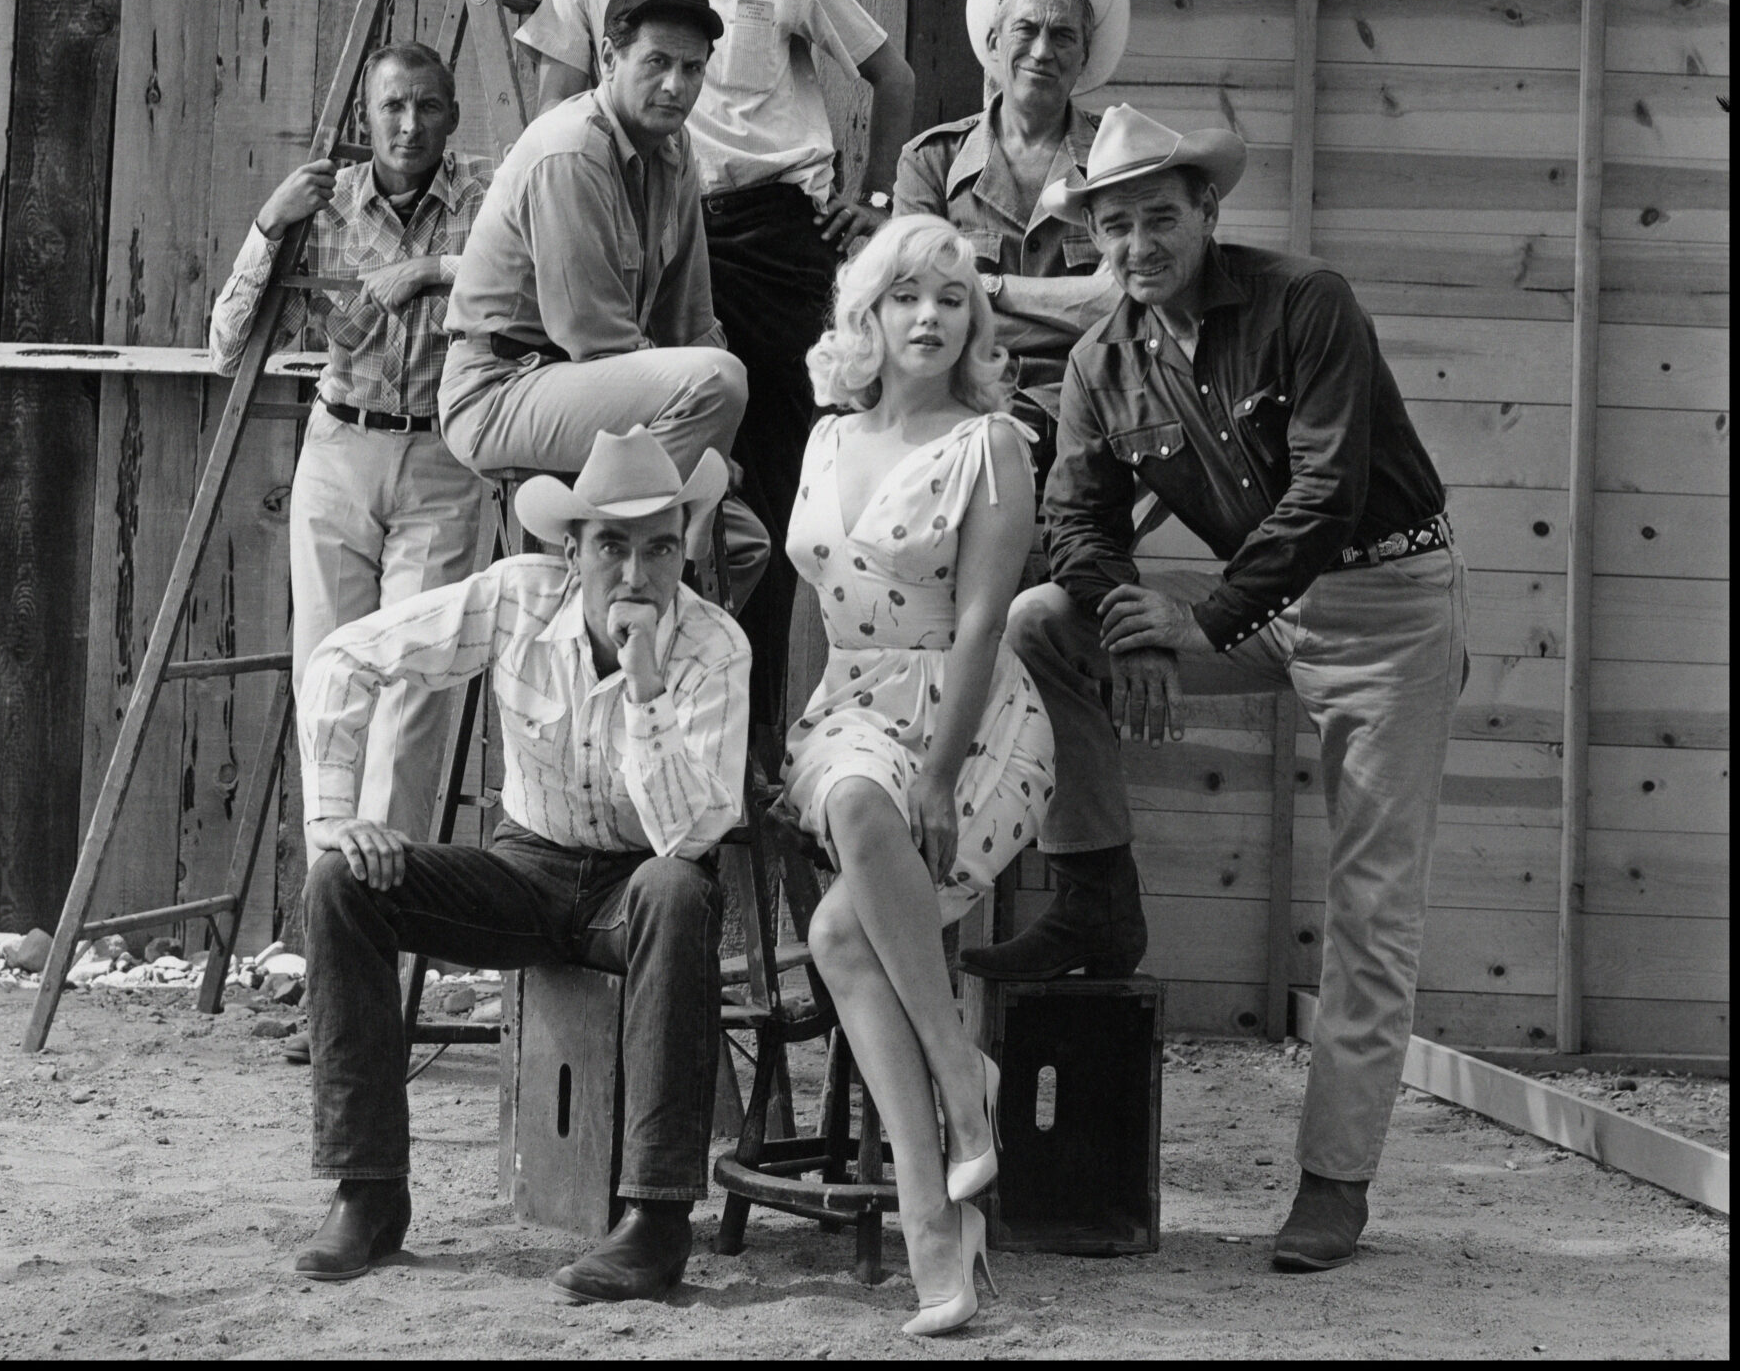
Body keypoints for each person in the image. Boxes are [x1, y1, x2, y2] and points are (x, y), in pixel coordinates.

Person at [993, 104, 1469, 1272]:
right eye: (1116, 226)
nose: (1140, 243)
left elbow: (1328, 496)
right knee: (1045, 621)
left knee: (1369, 902)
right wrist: (1140, 636)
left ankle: (1333, 1183)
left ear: (1210, 212)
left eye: (1162, 215)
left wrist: (1196, 616)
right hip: (1261, 614)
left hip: (1387, 605)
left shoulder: (1308, 301)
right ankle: (1097, 889)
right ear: (1092, 239)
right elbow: (1074, 523)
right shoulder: (1103, 361)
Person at [292, 427, 750, 1304]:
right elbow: (344, 659)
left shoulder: (716, 647)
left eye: (660, 547)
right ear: (569, 550)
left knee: (677, 890)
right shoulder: (514, 598)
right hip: (527, 869)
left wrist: (646, 684)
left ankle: (654, 1224)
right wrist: (337, 819)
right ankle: (370, 1192)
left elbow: (689, 836)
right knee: (341, 884)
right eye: (612, 545)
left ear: (683, 547)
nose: (636, 573)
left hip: (639, 886)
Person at [517, 0, 919, 748]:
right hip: (639, 232)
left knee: (774, 489)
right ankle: (633, 738)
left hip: (767, 236)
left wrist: (871, 205)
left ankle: (747, 760)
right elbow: (551, 117)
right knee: (639, 482)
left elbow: (890, 75)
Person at [781, 215, 1052, 1336]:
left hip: (972, 721)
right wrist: (786, 738)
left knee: (844, 938)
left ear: (974, 322)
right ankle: (960, 1076)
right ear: (871, 316)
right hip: (847, 715)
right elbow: (809, 591)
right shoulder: (825, 440)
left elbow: (988, 615)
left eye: (952, 298)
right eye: (907, 297)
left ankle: (934, 1231)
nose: (930, 316)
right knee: (847, 790)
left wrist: (940, 775)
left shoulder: (993, 444)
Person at [209, 40, 493, 867]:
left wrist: (431, 269)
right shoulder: (323, 206)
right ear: (364, 120)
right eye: (391, 108)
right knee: (329, 669)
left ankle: (389, 893)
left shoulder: (483, 193)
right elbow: (228, 344)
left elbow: (539, 273)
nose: (409, 125)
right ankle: (335, 877)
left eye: (427, 106)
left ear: (452, 116)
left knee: (416, 678)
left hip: (441, 455)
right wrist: (271, 220)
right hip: (340, 444)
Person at [439, 0, 766, 606]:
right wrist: (704, 454)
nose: (676, 85)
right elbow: (596, 343)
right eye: (658, 62)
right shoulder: (570, 150)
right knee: (716, 381)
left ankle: (650, 656)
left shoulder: (675, 149)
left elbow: (691, 319)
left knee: (745, 541)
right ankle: (605, 573)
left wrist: (715, 451)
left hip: (589, 392)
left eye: (693, 69)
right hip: (501, 390)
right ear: (610, 58)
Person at [894, 0, 1131, 483]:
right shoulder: (931, 161)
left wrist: (985, 293)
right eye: (1027, 30)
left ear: (1084, 56)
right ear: (995, 41)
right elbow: (912, 309)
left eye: (1064, 35)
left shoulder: (1120, 158)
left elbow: (1116, 307)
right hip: (958, 405)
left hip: (1092, 411)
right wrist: (1067, 313)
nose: (1043, 51)